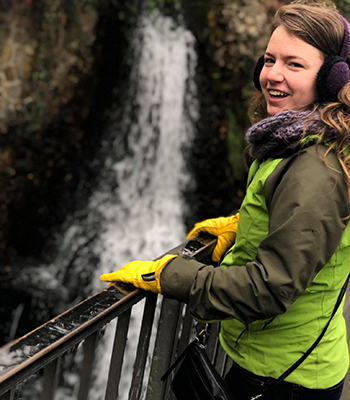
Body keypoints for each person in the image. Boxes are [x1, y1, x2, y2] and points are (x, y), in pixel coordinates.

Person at [100, 1, 350, 399]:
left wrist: (170, 275)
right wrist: (242, 225)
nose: (273, 75)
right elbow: (304, 226)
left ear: (331, 79)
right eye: (269, 60)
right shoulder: (302, 139)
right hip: (274, 360)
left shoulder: (315, 167)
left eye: (294, 64)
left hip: (284, 379)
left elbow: (268, 289)